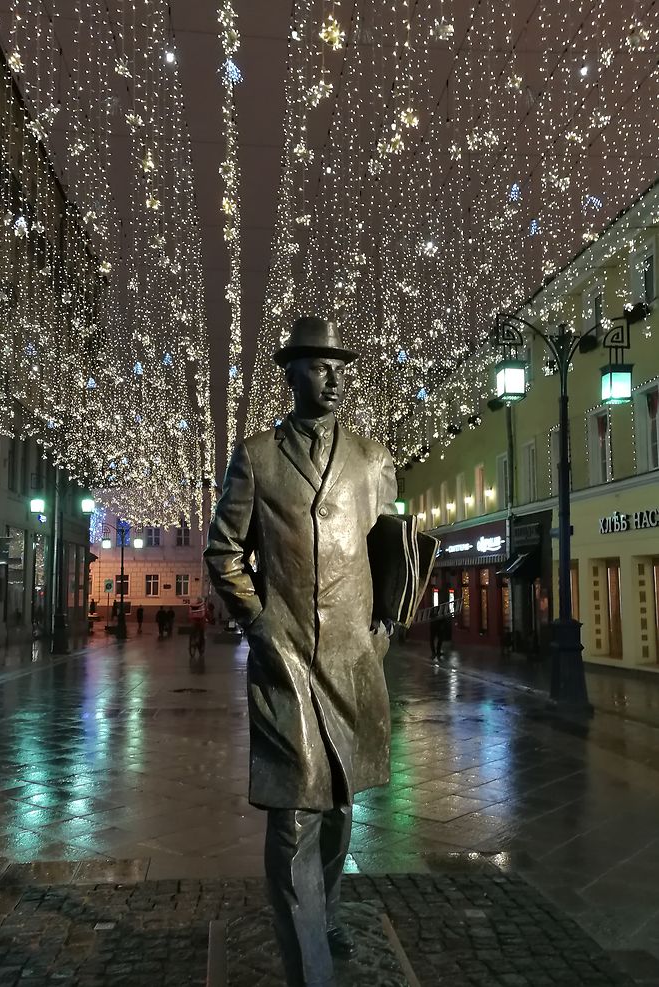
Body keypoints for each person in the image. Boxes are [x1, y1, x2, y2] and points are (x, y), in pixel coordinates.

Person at [205, 317, 437, 987]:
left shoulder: (372, 458)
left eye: (342, 366)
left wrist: (387, 627)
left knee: (338, 806)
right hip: (285, 658)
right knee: (293, 815)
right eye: (319, 366)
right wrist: (259, 621)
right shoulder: (256, 455)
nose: (334, 377)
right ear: (291, 373)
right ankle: (309, 967)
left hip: (353, 657)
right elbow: (224, 552)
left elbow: (389, 548)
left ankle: (327, 906)